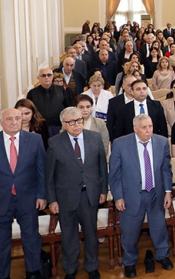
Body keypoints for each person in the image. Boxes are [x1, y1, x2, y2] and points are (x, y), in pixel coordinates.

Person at [0, 108, 47, 279]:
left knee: (31, 238)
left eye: (18, 118)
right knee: (1, 242)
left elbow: (41, 171)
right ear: (1, 122)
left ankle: (33, 272)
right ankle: (4, 275)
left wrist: (42, 195)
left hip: (28, 199)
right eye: (9, 119)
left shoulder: (35, 140)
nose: (14, 122)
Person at [46, 107, 108, 279]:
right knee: (69, 236)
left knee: (91, 233)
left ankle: (92, 266)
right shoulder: (54, 143)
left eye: (79, 120)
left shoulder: (95, 138)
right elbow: (49, 175)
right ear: (63, 124)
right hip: (65, 197)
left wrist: (103, 190)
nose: (76, 125)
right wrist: (52, 200)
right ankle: (71, 268)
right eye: (71, 122)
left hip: (90, 195)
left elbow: (102, 167)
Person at [109, 114, 174, 277]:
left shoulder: (161, 142)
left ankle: (162, 255)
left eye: (150, 126)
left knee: (159, 228)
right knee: (130, 232)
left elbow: (166, 169)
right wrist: (118, 197)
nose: (148, 130)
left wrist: (167, 191)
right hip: (131, 196)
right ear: (135, 128)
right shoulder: (120, 144)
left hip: (155, 193)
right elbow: (114, 174)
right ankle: (129, 262)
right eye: (144, 127)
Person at [26, 67, 70, 137]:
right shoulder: (32, 93)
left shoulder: (60, 90)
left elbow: (67, 107)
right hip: (39, 128)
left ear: (52, 76)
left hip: (58, 126)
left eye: (49, 75)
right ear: (38, 78)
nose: (46, 77)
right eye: (43, 75)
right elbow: (29, 111)